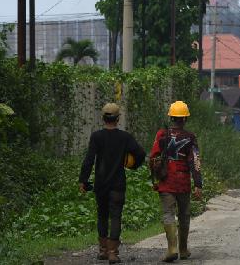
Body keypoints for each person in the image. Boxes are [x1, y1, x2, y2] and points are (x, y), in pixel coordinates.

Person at [79, 103, 146, 264]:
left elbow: (89, 160)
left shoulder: (96, 137)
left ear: (103, 118)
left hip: (101, 184)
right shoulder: (125, 137)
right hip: (118, 185)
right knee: (116, 216)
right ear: (118, 119)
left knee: (102, 216)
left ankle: (102, 251)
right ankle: (113, 253)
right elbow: (141, 153)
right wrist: (132, 165)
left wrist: (83, 180)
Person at [149, 101, 203, 262]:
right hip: (183, 182)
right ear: (185, 119)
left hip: (166, 181)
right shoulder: (190, 137)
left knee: (168, 213)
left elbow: (153, 158)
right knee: (184, 215)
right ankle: (184, 249)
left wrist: (154, 178)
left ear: (171, 117)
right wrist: (198, 184)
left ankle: (172, 248)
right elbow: (195, 162)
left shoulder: (161, 135)